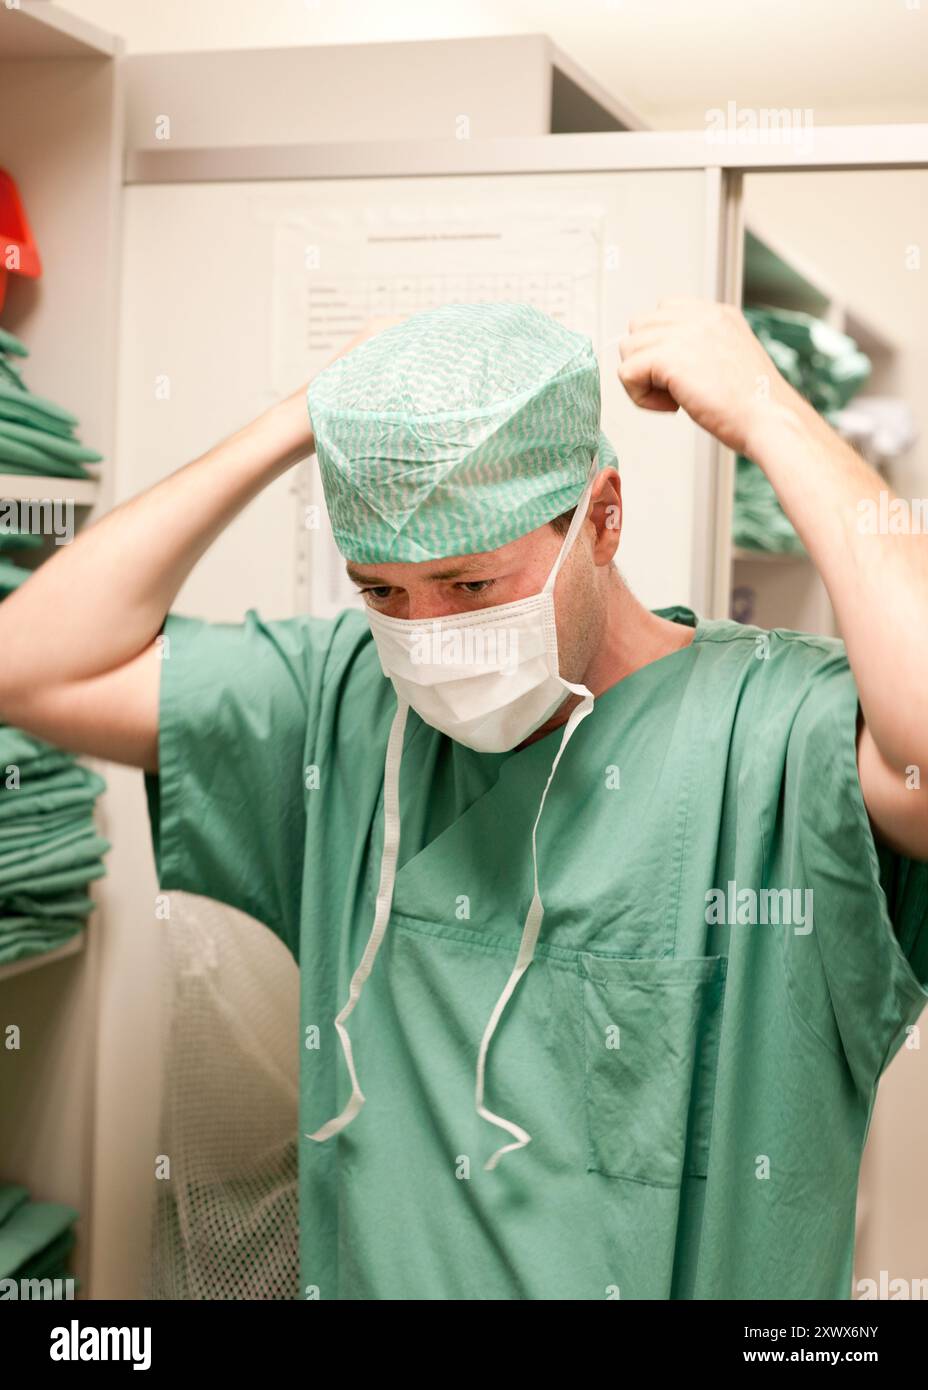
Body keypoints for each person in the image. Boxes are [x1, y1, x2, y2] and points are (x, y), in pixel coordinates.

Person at [1, 298, 926, 1301]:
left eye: (471, 584)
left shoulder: (775, 739)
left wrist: (768, 411)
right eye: (383, 592)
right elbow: (29, 666)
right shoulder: (343, 705)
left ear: (601, 519)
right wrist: (302, 416)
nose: (426, 636)